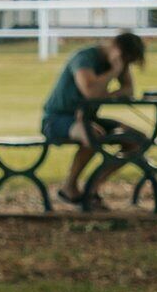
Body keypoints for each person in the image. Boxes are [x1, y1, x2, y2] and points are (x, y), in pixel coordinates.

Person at [43, 30, 147, 209]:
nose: (126, 66)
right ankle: (69, 187)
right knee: (92, 135)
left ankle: (92, 188)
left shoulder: (119, 61)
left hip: (88, 118)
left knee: (136, 140)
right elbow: (89, 91)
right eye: (126, 61)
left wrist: (108, 89)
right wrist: (114, 71)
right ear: (117, 49)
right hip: (58, 118)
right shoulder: (84, 58)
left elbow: (129, 90)